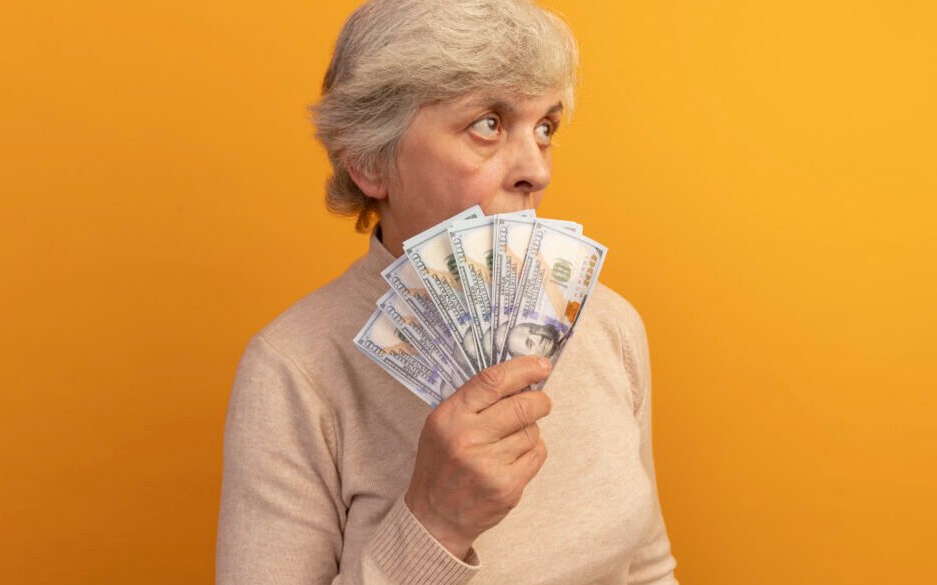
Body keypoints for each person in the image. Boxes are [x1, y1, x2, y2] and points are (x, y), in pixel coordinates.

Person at [215, 1, 679, 583]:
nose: (537, 169)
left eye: (545, 128)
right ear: (369, 161)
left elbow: (649, 569)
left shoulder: (609, 324)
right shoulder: (293, 371)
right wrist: (435, 523)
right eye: (488, 123)